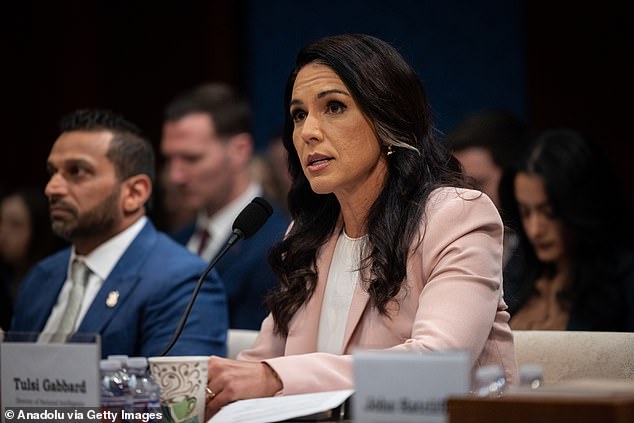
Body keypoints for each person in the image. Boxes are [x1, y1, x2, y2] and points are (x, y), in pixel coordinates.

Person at [203, 34, 517, 417]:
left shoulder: (457, 216)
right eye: (298, 114)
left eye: (334, 107)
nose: (308, 131)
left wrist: (274, 378)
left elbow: (438, 365)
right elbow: (262, 363)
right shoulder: (308, 235)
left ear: (387, 118)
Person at [11, 109, 228, 358]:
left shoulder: (183, 281)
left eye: (77, 172)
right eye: (53, 172)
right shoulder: (42, 277)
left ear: (134, 193)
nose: (52, 188)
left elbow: (177, 385)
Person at [161, 83, 289, 330]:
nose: (175, 176)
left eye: (191, 158)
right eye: (170, 159)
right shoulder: (176, 241)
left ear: (239, 150)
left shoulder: (280, 244)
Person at [505, 129, 634, 331]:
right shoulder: (517, 271)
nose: (535, 230)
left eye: (549, 212)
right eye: (525, 212)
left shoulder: (623, 277)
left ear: (581, 206)